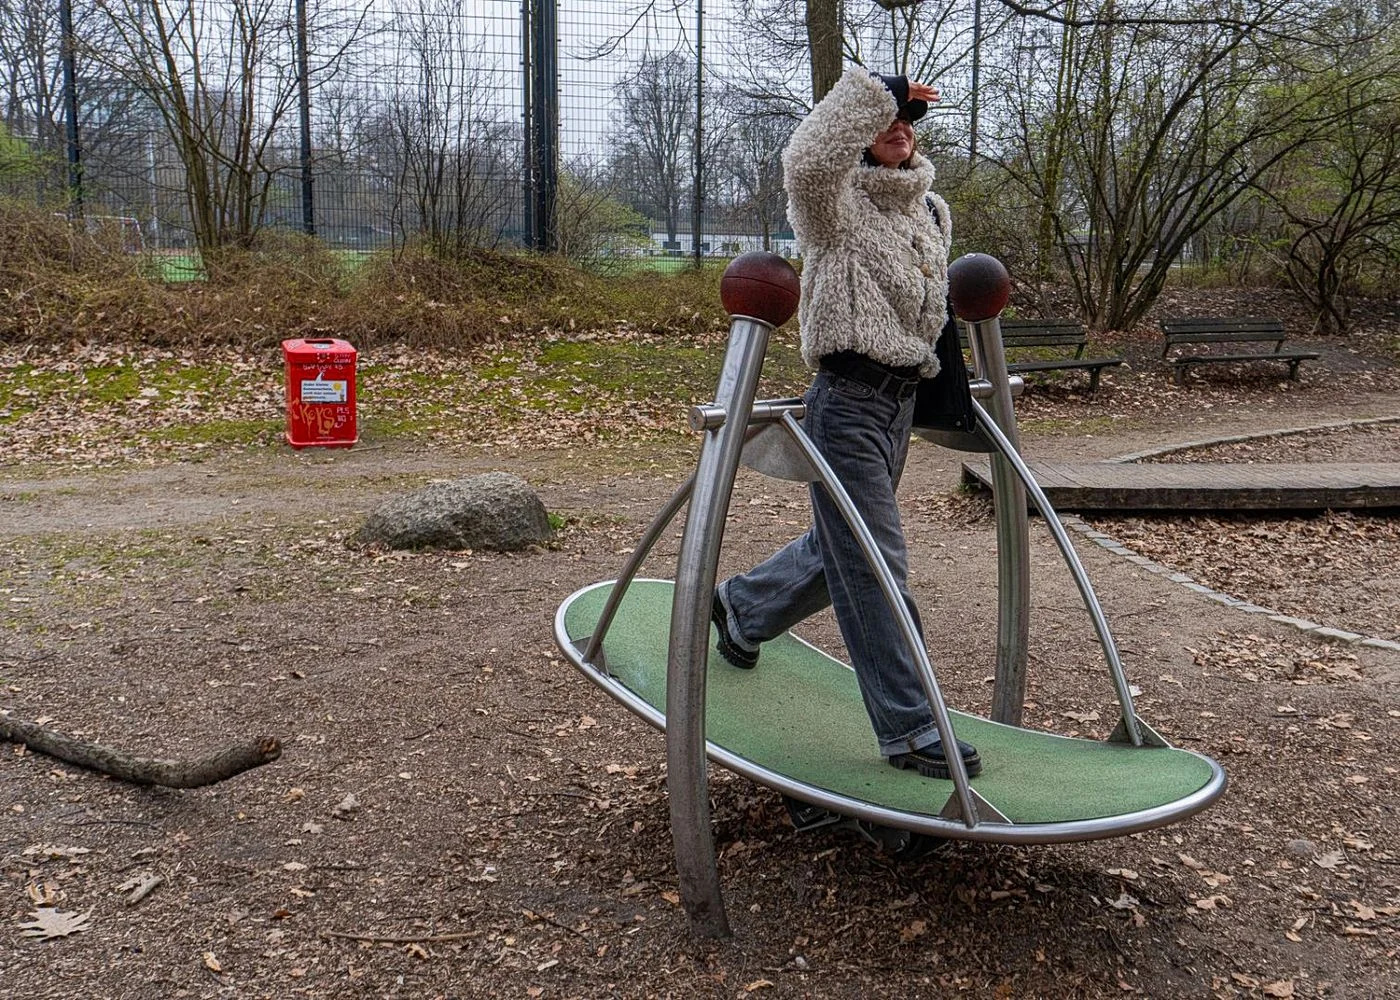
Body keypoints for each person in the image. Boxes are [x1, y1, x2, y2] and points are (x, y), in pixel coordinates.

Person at [711, 65, 981, 780]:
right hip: (846, 404)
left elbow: (931, 315)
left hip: (900, 405)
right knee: (875, 561)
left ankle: (742, 607)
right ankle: (912, 725)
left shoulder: (929, 211)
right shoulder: (832, 204)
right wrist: (882, 91)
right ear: (856, 134)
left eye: (907, 119)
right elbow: (806, 155)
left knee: (846, 547)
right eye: (883, 119)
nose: (899, 126)